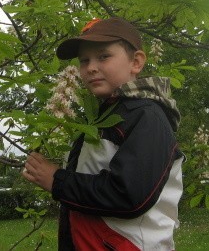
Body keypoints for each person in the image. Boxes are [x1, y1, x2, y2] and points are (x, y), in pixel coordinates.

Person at [22, 17, 183, 250]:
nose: (91, 67)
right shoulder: (104, 116)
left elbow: (129, 196)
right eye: (84, 60)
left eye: (103, 56)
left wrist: (56, 180)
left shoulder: (148, 116)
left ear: (136, 62)